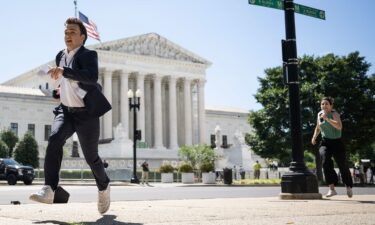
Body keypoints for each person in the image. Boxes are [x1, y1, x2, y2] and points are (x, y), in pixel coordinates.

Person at [29, 17, 111, 214]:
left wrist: (65, 71)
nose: (68, 36)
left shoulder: (89, 55)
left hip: (86, 114)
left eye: (73, 32)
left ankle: (104, 186)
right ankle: (49, 189)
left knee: (91, 157)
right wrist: (57, 81)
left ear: (82, 37)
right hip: (66, 111)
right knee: (55, 139)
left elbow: (91, 77)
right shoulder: (60, 55)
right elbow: (64, 80)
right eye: (66, 32)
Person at [311, 97, 353, 198]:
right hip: (325, 142)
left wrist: (327, 119)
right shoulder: (319, 114)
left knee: (342, 165)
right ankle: (331, 188)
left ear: (331, 106)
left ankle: (348, 186)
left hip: (337, 142)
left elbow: (339, 126)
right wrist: (314, 137)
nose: (324, 106)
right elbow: (318, 127)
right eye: (322, 104)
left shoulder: (334, 114)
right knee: (325, 161)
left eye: (326, 104)